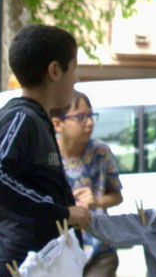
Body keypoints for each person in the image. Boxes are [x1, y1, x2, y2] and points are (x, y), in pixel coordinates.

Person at [0, 24, 89, 277]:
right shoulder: (21, 118)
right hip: (21, 264)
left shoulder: (35, 118)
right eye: (75, 67)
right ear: (55, 70)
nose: (77, 78)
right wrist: (62, 213)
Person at [52, 91, 124, 277]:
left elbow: (117, 196)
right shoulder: (48, 157)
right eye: (81, 117)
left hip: (100, 250)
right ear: (57, 123)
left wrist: (97, 202)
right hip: (60, 251)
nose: (90, 122)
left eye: (91, 116)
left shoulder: (101, 151)